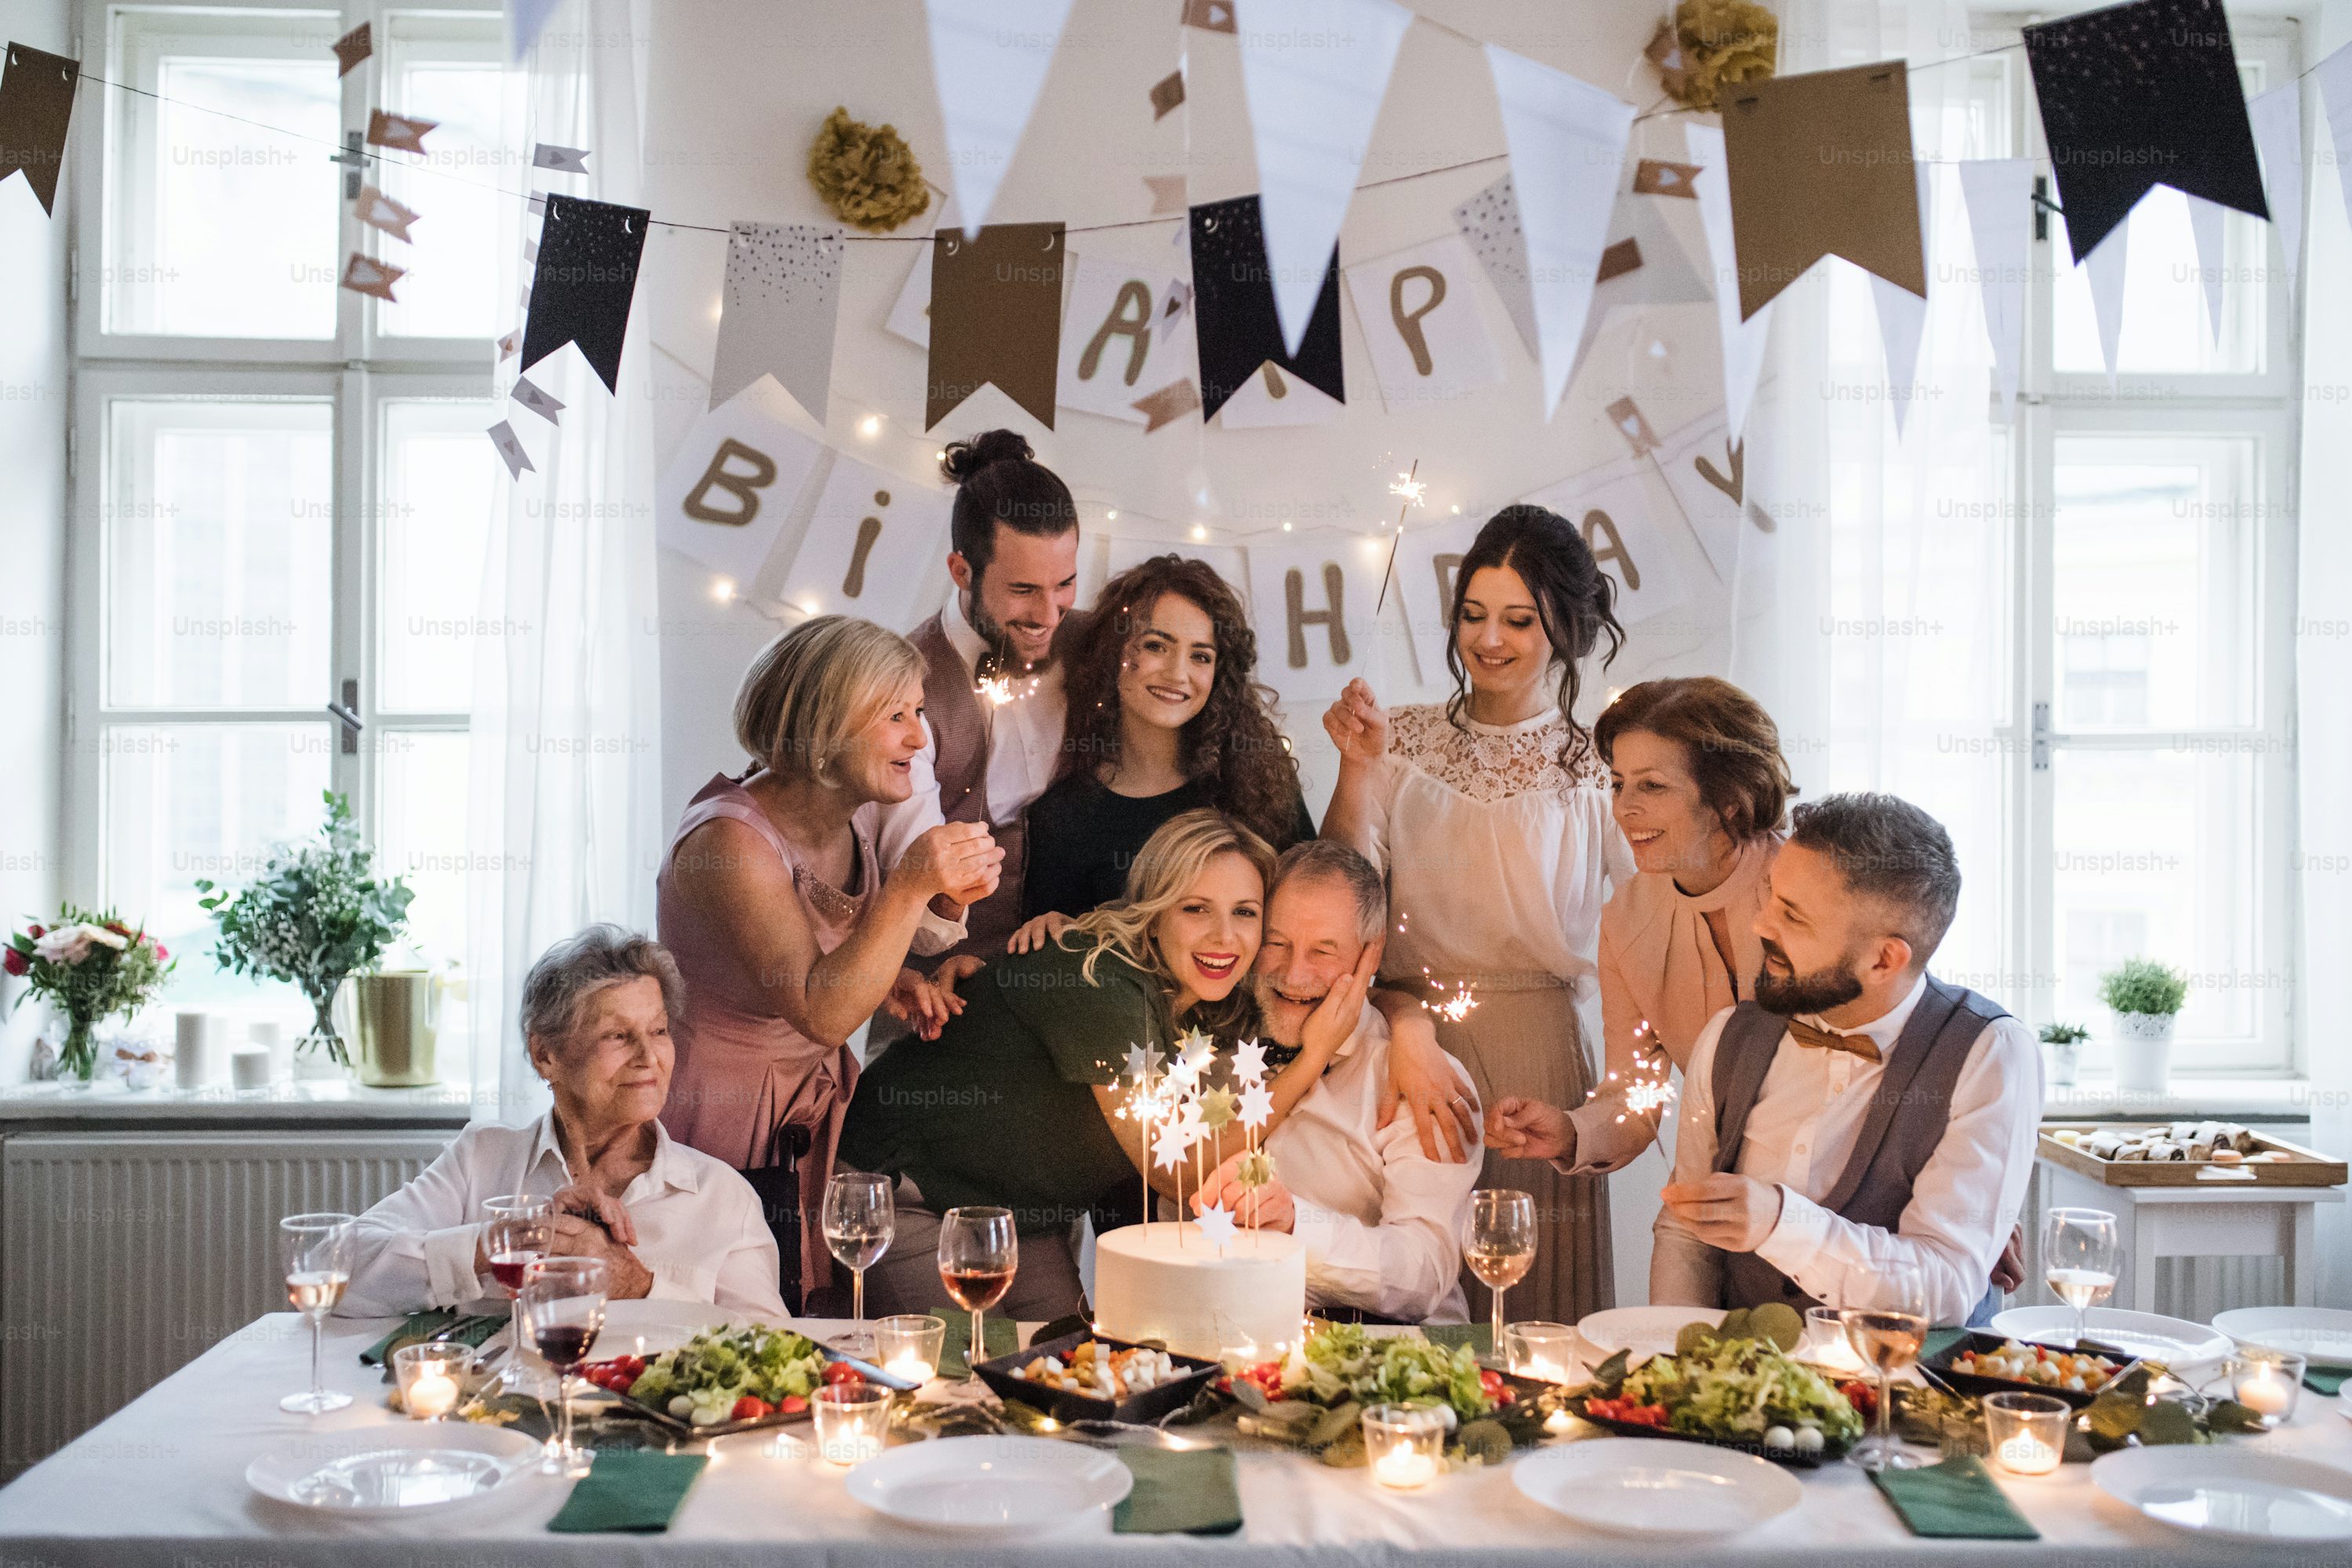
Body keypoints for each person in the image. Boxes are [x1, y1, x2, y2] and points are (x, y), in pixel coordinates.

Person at [840, 811, 1368, 1323]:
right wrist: (1315, 1057)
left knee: (1061, 1361)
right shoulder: (1103, 986)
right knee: (963, 1370)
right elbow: (1176, 1174)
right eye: (1195, 909)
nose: (1225, 937)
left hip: (1020, 1219)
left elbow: (1357, 980)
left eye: (1245, 912)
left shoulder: (1208, 1003)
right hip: (908, 1195)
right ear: (1155, 910)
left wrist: (1410, 1024)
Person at [1320, 503, 1634, 1324]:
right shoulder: (1401, 740)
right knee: (1405, 1285)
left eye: (1518, 620)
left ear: (1563, 628)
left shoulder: (1599, 763)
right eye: (1473, 615)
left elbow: (1649, 921)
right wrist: (1357, 768)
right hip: (1405, 1042)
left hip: (1539, 1051)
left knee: (1525, 1305)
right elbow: (1345, 890)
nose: (1489, 639)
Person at [659, 617, 1003, 1308]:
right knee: (724, 1322)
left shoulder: (850, 820)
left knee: (802, 1317)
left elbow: (808, 962)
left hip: (807, 1106)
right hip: (720, 1112)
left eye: (919, 713)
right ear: (823, 728)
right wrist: (910, 884)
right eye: (895, 716)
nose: (918, 737)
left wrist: (887, 983)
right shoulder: (730, 840)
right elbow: (819, 1011)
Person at [1649, 793, 2041, 1326]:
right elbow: (1685, 1232)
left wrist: (1782, 1224)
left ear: (1884, 959)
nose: (1761, 925)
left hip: (1910, 1387)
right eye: (1771, 897)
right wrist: (1681, 1359)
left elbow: (1948, 1284)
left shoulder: (1990, 1055)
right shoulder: (1728, 1036)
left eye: (1793, 916)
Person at [343, 926, 786, 1320]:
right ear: (546, 1055)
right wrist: (501, 1242)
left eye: (659, 1031)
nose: (649, 1058)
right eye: (617, 1035)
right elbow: (339, 1270)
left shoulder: (720, 1195)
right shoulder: (482, 1157)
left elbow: (778, 1350)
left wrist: (641, 1289)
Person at [1487, 677, 1790, 1175]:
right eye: (1618, 783)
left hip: (1842, 1193)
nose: (1625, 808)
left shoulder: (1809, 886)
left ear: (1732, 798)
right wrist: (1569, 1130)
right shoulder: (1626, 919)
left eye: (1652, 785)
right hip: (1715, 1182)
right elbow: (1633, 1093)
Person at [1192, 841, 1482, 1323]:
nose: (1293, 973)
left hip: (1394, 1354)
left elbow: (1425, 1271)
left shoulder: (1422, 1078)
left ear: (1372, 955)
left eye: (1323, 951)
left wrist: (1294, 1224)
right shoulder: (1210, 1047)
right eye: (1276, 943)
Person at [1013, 554, 1316, 942]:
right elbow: (1048, 956)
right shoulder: (1062, 816)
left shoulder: (1261, 777)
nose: (1177, 674)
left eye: (1200, 656)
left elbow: (1321, 895)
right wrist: (1047, 933)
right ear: (1113, 651)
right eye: (1156, 646)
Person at [874, 430, 1081, 960]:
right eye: (1023, 590)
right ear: (961, 571)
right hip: (941, 997)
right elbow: (914, 916)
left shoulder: (1095, 644)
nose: (1049, 615)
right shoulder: (900, 688)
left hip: (1082, 977)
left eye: (1064, 585)